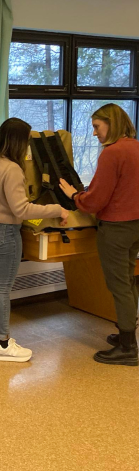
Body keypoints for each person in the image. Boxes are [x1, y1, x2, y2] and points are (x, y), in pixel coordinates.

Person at [0, 117, 68, 362]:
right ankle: (3, 345)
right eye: (26, 141)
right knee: (2, 287)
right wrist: (57, 209)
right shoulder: (11, 168)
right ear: (17, 141)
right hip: (4, 232)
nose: (27, 148)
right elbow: (21, 210)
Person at [60, 103, 139, 366]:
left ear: (111, 124)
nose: (94, 133)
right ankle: (127, 335)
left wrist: (73, 194)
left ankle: (128, 348)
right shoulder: (136, 147)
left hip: (116, 228)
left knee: (119, 286)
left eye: (97, 127)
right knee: (128, 280)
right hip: (136, 225)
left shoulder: (112, 153)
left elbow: (96, 200)